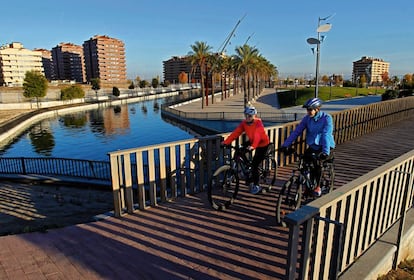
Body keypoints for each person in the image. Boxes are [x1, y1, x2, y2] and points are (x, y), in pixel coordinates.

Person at [280, 97, 335, 196]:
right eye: (307, 109)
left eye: (310, 109)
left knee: (317, 165)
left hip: (324, 145)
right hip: (313, 146)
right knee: (305, 164)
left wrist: (325, 152)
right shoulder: (307, 119)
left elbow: (326, 134)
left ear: (317, 109)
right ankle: (307, 187)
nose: (308, 111)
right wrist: (285, 145)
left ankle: (318, 187)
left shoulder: (327, 118)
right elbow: (297, 132)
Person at [221, 106, 270, 194]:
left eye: (250, 116)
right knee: (239, 151)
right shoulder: (244, 123)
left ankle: (256, 185)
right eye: (246, 115)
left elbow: (257, 135)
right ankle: (247, 168)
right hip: (252, 142)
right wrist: (226, 142)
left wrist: (253, 146)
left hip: (262, 143)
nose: (247, 117)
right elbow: (236, 133)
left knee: (255, 165)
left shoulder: (258, 123)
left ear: (255, 116)